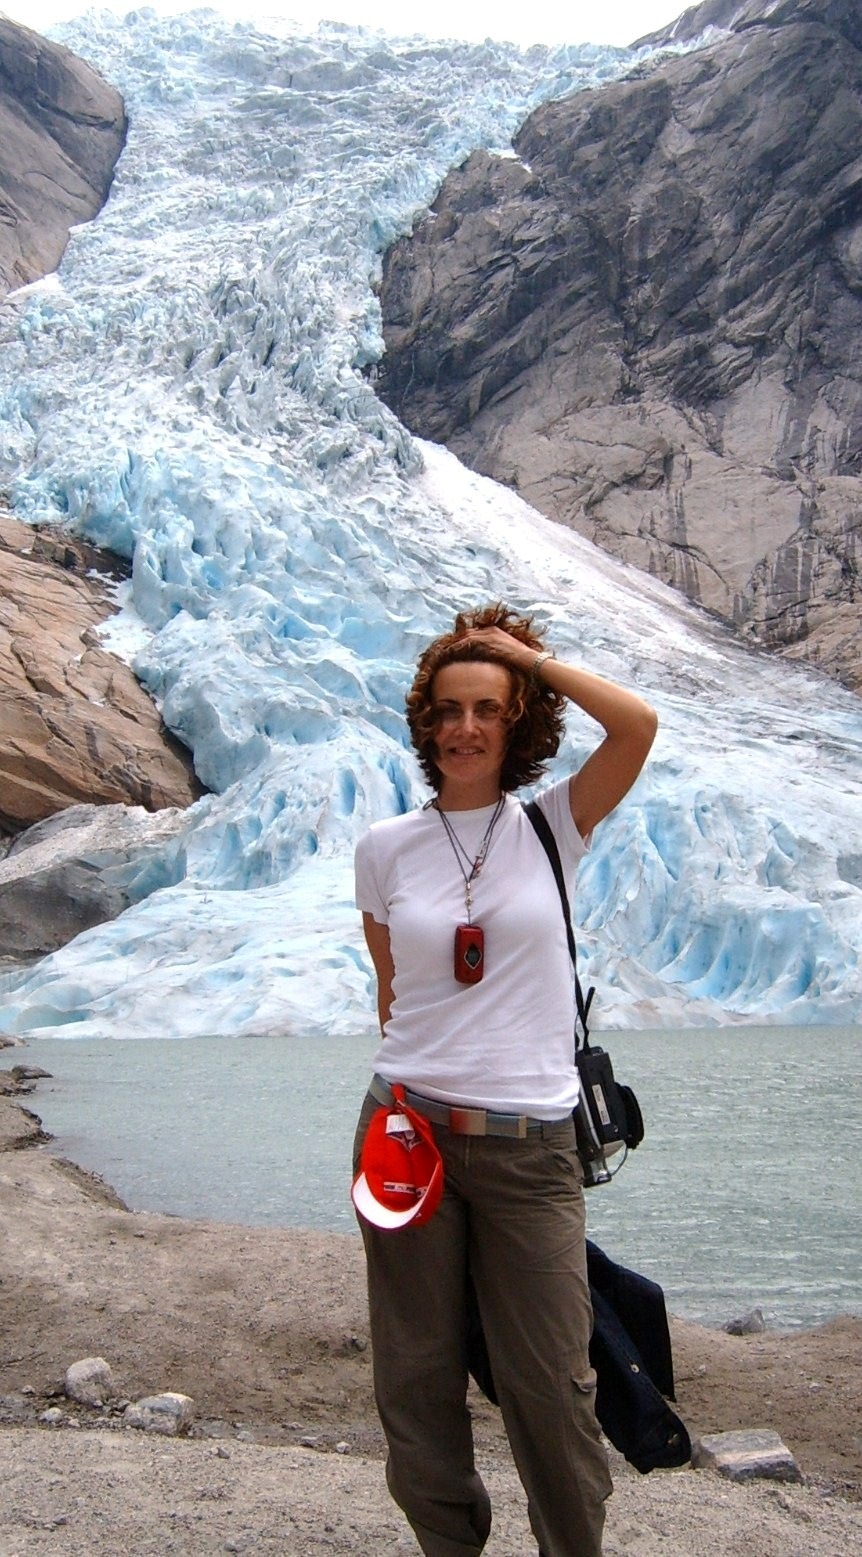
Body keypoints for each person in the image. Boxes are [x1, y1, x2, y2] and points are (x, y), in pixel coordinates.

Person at [352, 602, 658, 1557]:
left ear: (517, 719)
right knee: (415, 1376)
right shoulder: (385, 848)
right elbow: (393, 995)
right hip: (406, 1129)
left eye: (488, 707)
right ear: (426, 723)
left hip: (532, 1145)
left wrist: (522, 657)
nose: (466, 727)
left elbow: (637, 725)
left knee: (552, 1384)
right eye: (448, 709)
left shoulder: (553, 823)